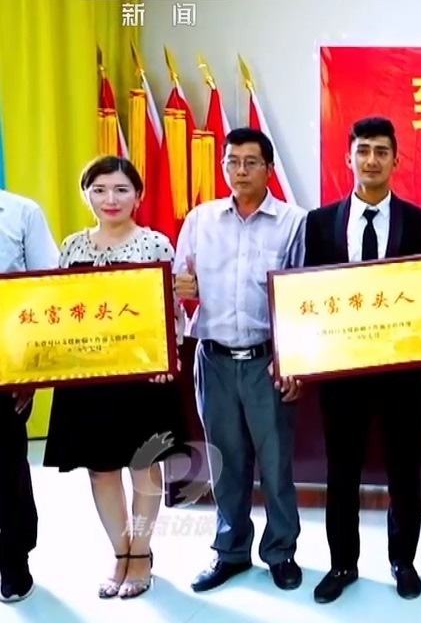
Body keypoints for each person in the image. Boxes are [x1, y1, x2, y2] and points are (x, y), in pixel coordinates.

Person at [297, 117, 421, 603]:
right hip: (342, 371)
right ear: (349, 158)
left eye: (382, 151)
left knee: (404, 468)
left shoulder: (418, 220)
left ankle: (403, 561)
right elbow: (308, 294)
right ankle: (343, 564)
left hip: (400, 371)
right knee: (342, 470)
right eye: (363, 150)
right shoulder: (320, 222)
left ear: (396, 160)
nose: (372, 160)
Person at [41, 156, 187, 600]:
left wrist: (166, 360)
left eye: (121, 189)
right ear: (86, 195)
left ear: (138, 196)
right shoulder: (72, 247)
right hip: (89, 377)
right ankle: (119, 552)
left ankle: (141, 554)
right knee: (101, 471)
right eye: (99, 189)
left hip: (143, 378)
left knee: (144, 467)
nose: (110, 198)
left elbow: (171, 312)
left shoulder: (156, 244)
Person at [175, 127, 307, 593]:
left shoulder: (293, 221)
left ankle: (281, 552)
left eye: (251, 162)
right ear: (223, 167)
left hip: (266, 360)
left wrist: (293, 361)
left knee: (276, 465)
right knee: (225, 463)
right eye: (232, 162)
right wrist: (180, 290)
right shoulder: (201, 219)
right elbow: (177, 283)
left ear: (269, 169)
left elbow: (303, 296)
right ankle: (230, 552)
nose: (241, 171)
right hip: (212, 357)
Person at [0, 189, 58, 603]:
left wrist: (34, 368)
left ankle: (12, 559)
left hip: (7, 361)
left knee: (6, 466)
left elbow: (47, 290)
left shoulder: (21, 213)